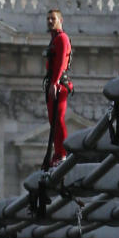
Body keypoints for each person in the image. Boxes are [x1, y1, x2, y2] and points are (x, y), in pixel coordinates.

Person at [44, 10, 72, 167]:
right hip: (53, 83)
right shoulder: (54, 39)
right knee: (53, 121)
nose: (50, 21)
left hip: (59, 84)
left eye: (53, 18)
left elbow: (61, 62)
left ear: (61, 20)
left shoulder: (62, 38)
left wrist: (54, 83)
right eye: (48, 19)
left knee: (58, 119)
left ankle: (62, 154)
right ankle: (58, 152)